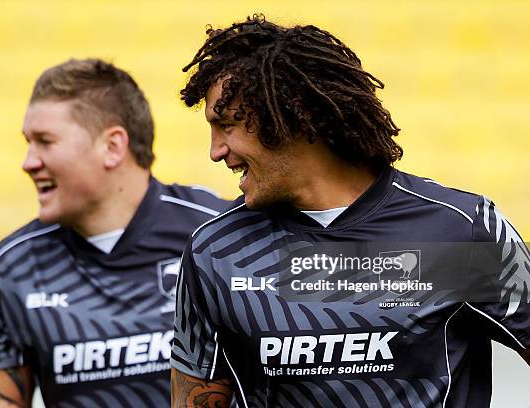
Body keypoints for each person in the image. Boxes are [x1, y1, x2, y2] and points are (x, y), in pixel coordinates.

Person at [170, 15, 530, 408]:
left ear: (290, 118)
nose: (215, 151)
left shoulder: (461, 229)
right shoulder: (216, 251)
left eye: (226, 125)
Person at [0, 58, 230, 407]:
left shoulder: (217, 235)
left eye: (45, 141)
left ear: (112, 146)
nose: (28, 162)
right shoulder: (13, 265)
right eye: (28, 143)